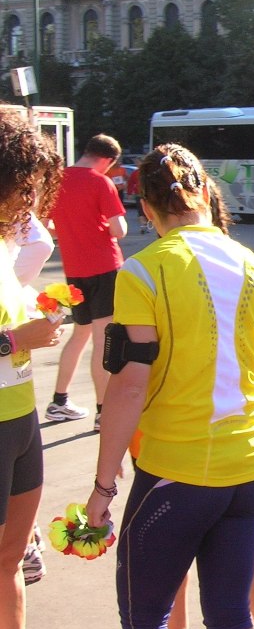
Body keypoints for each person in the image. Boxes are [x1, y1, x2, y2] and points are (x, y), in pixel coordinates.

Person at [84, 144, 254, 629]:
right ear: (205, 197)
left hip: (180, 468)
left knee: (144, 619)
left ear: (146, 210)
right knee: (230, 613)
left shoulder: (143, 271)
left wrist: (103, 488)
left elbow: (129, 385)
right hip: (253, 465)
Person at [0, 109, 66, 629]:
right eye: (22, 188)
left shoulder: (5, 246)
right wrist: (12, 339)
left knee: (11, 562)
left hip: (20, 417)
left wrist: (37, 322)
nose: (29, 203)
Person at [45, 134, 127, 431]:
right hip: (104, 268)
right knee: (103, 340)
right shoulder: (100, 181)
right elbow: (119, 230)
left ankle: (59, 400)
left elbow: (47, 228)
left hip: (74, 272)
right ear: (108, 160)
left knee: (79, 334)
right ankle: (103, 411)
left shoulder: (58, 179)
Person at [125, 167, 151, 236]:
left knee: (142, 212)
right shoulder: (148, 172)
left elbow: (131, 183)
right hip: (144, 194)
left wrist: (129, 193)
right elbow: (131, 182)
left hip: (143, 194)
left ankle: (144, 226)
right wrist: (129, 192)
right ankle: (144, 226)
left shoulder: (138, 172)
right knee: (145, 211)